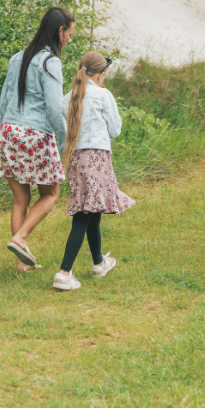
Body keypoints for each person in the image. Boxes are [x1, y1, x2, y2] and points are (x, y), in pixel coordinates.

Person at [0, 7, 75, 272]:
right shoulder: (50, 62)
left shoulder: (17, 57)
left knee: (21, 200)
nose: (70, 40)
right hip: (34, 134)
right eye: (70, 34)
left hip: (8, 132)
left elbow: (4, 100)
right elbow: (53, 110)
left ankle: (22, 263)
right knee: (51, 193)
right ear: (60, 31)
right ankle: (21, 237)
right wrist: (65, 145)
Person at [52, 52, 134, 291]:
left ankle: (99, 262)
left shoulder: (66, 98)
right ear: (100, 75)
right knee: (84, 213)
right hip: (96, 157)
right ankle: (64, 272)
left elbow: (61, 133)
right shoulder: (102, 95)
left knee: (91, 208)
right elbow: (115, 129)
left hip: (75, 159)